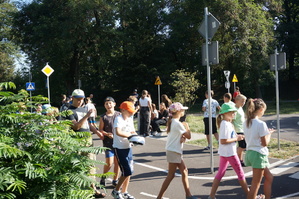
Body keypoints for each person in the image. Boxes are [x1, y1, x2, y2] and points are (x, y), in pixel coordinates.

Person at [65, 89, 106, 198]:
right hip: (76, 141)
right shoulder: (69, 111)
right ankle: (76, 192)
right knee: (76, 166)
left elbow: (88, 125)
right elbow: (76, 126)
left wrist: (97, 132)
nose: (80, 101)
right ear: (72, 98)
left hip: (88, 140)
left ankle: (93, 190)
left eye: (81, 99)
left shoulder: (83, 109)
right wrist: (87, 115)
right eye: (77, 99)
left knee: (91, 165)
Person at [208, 103, 249, 199]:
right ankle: (251, 196)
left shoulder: (227, 123)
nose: (234, 114)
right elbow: (223, 141)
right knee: (240, 174)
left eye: (234, 112)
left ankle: (211, 196)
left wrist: (238, 137)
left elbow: (227, 138)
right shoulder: (225, 124)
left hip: (225, 153)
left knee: (220, 173)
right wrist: (236, 138)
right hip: (230, 153)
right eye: (232, 112)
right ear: (225, 113)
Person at [157, 102, 197, 199]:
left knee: (184, 171)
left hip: (174, 150)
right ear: (178, 111)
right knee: (171, 175)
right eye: (182, 110)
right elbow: (189, 136)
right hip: (173, 151)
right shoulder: (177, 123)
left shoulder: (173, 122)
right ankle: (159, 197)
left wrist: (182, 138)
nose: (183, 111)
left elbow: (179, 137)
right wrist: (187, 126)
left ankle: (188, 195)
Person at [243, 98, 274, 199]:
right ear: (261, 110)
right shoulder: (261, 124)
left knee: (269, 177)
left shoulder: (246, 122)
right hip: (258, 154)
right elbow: (264, 143)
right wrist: (269, 134)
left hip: (251, 153)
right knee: (256, 183)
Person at [111, 101, 138, 199]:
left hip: (128, 147)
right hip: (120, 148)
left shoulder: (130, 119)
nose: (131, 113)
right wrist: (130, 136)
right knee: (126, 171)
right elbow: (118, 132)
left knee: (130, 170)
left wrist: (136, 138)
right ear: (122, 110)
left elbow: (132, 131)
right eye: (129, 111)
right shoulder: (118, 119)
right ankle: (116, 191)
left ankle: (124, 191)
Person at [99, 97, 121, 187]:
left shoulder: (119, 115)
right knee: (109, 163)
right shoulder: (103, 117)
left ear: (114, 104)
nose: (108, 105)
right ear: (104, 106)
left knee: (117, 162)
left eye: (110, 103)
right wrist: (107, 134)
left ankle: (115, 180)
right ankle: (103, 177)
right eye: (106, 104)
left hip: (118, 143)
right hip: (108, 143)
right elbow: (100, 129)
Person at [232, 94, 247, 167]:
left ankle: (240, 160)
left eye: (244, 101)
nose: (243, 103)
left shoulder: (240, 108)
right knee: (243, 146)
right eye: (242, 101)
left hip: (243, 129)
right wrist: (234, 131)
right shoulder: (235, 109)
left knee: (242, 146)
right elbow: (232, 121)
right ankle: (236, 160)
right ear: (236, 101)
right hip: (238, 130)